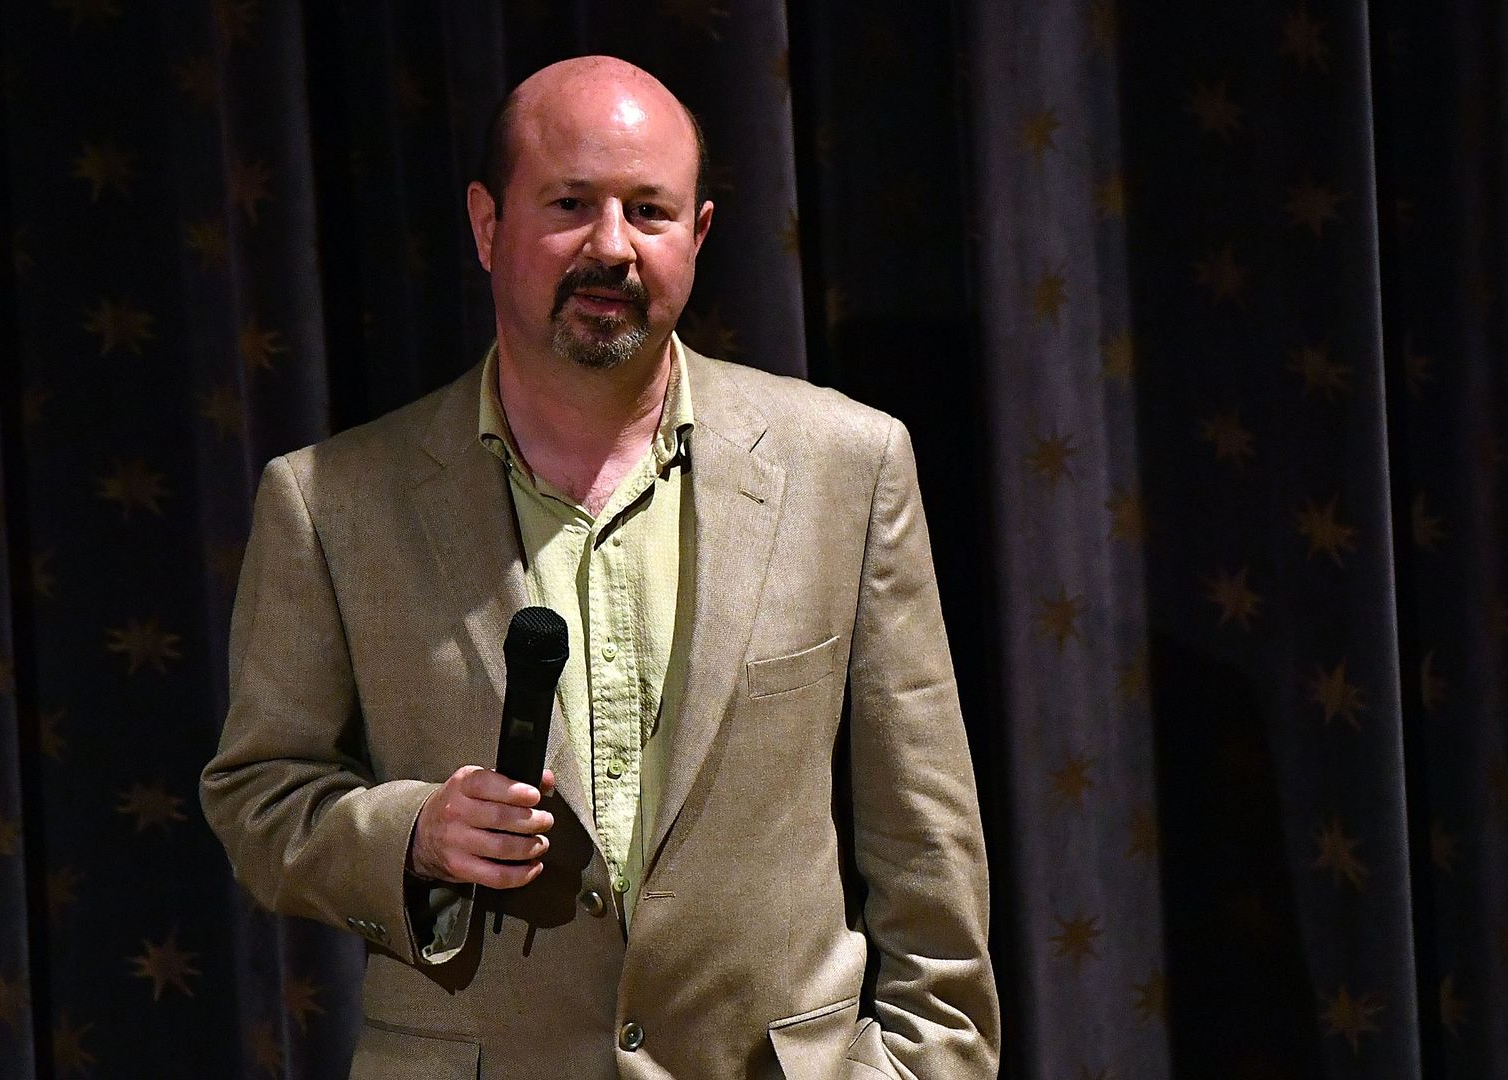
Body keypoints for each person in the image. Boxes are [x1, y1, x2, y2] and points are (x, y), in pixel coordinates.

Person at [200, 55, 999, 1079]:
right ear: (488, 226)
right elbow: (259, 795)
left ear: (699, 236)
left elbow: (927, 840)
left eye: (650, 211)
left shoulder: (846, 465)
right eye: (570, 204)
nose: (612, 247)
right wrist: (413, 834)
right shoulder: (330, 502)